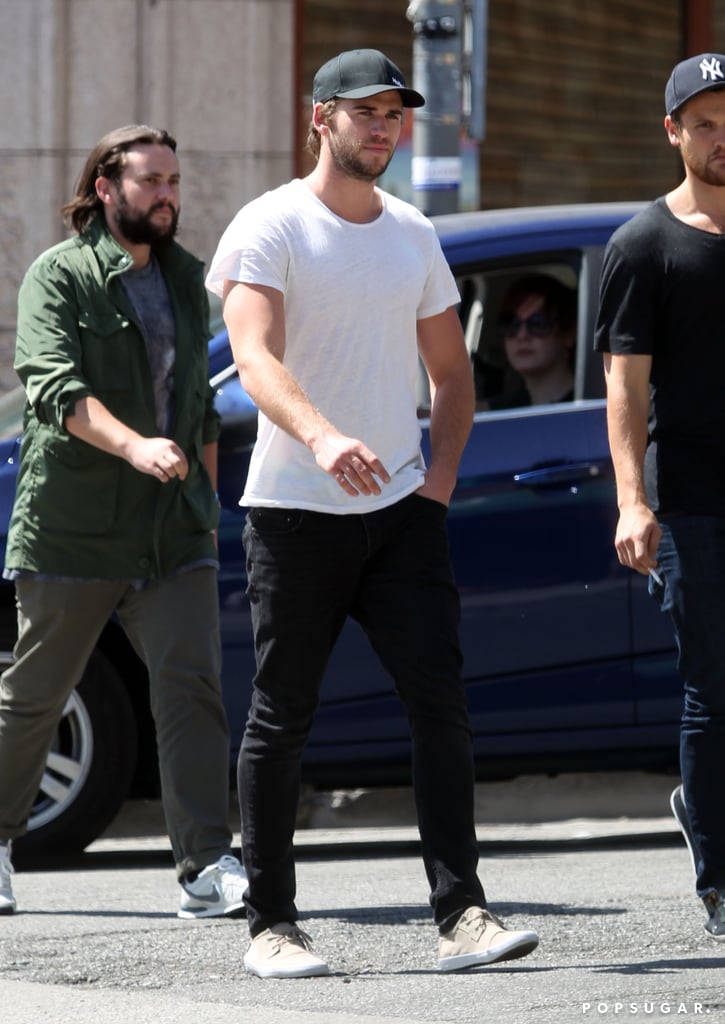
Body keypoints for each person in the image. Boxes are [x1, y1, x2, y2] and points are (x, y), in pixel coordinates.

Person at [206, 48, 540, 977]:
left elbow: (451, 375)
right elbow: (255, 356)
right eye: (365, 111)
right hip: (292, 512)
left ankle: (462, 915)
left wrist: (434, 483)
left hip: (401, 514)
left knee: (441, 707)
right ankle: (270, 926)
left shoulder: (412, 233)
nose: (384, 126)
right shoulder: (268, 225)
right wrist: (319, 437)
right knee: (283, 717)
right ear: (320, 118)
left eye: (396, 112)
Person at [0, 125, 246, 919]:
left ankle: (207, 866)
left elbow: (201, 406)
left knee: (190, 689)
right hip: (75, 526)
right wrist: (134, 444)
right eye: (150, 182)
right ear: (106, 189)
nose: (167, 195)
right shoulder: (59, 276)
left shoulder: (184, 278)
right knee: (38, 693)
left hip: (171, 530)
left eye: (173, 180)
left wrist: (203, 508)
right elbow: (52, 386)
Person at [595, 53, 725, 941]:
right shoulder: (645, 244)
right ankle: (719, 879)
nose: (723, 138)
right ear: (673, 132)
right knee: (714, 690)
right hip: (693, 499)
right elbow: (623, 389)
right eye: (705, 122)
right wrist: (630, 501)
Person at [482, 274, 576, 410]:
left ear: (568, 335)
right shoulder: (500, 411)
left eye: (537, 323)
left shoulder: (589, 405)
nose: (522, 335)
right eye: (511, 324)